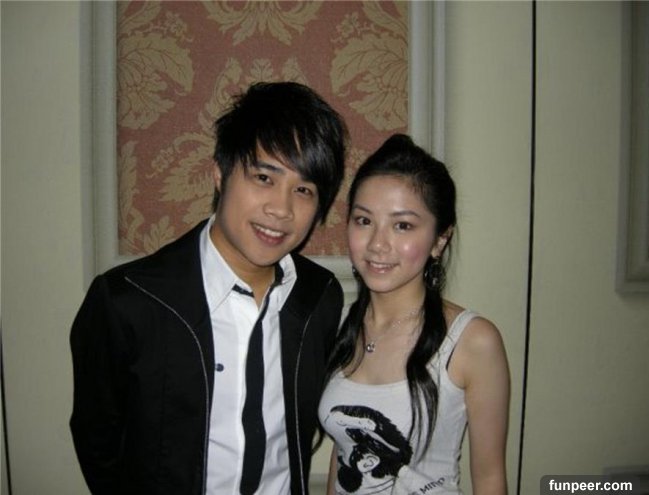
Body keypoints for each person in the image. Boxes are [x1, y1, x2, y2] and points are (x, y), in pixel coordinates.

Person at [70, 81, 348, 495]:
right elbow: (98, 442)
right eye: (263, 177)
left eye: (304, 190)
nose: (281, 209)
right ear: (220, 173)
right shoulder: (128, 301)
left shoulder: (319, 296)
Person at [319, 134, 510, 495]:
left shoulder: (471, 341)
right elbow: (343, 452)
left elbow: (490, 479)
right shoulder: (339, 325)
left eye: (402, 225)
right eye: (363, 220)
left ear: (440, 240)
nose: (377, 243)